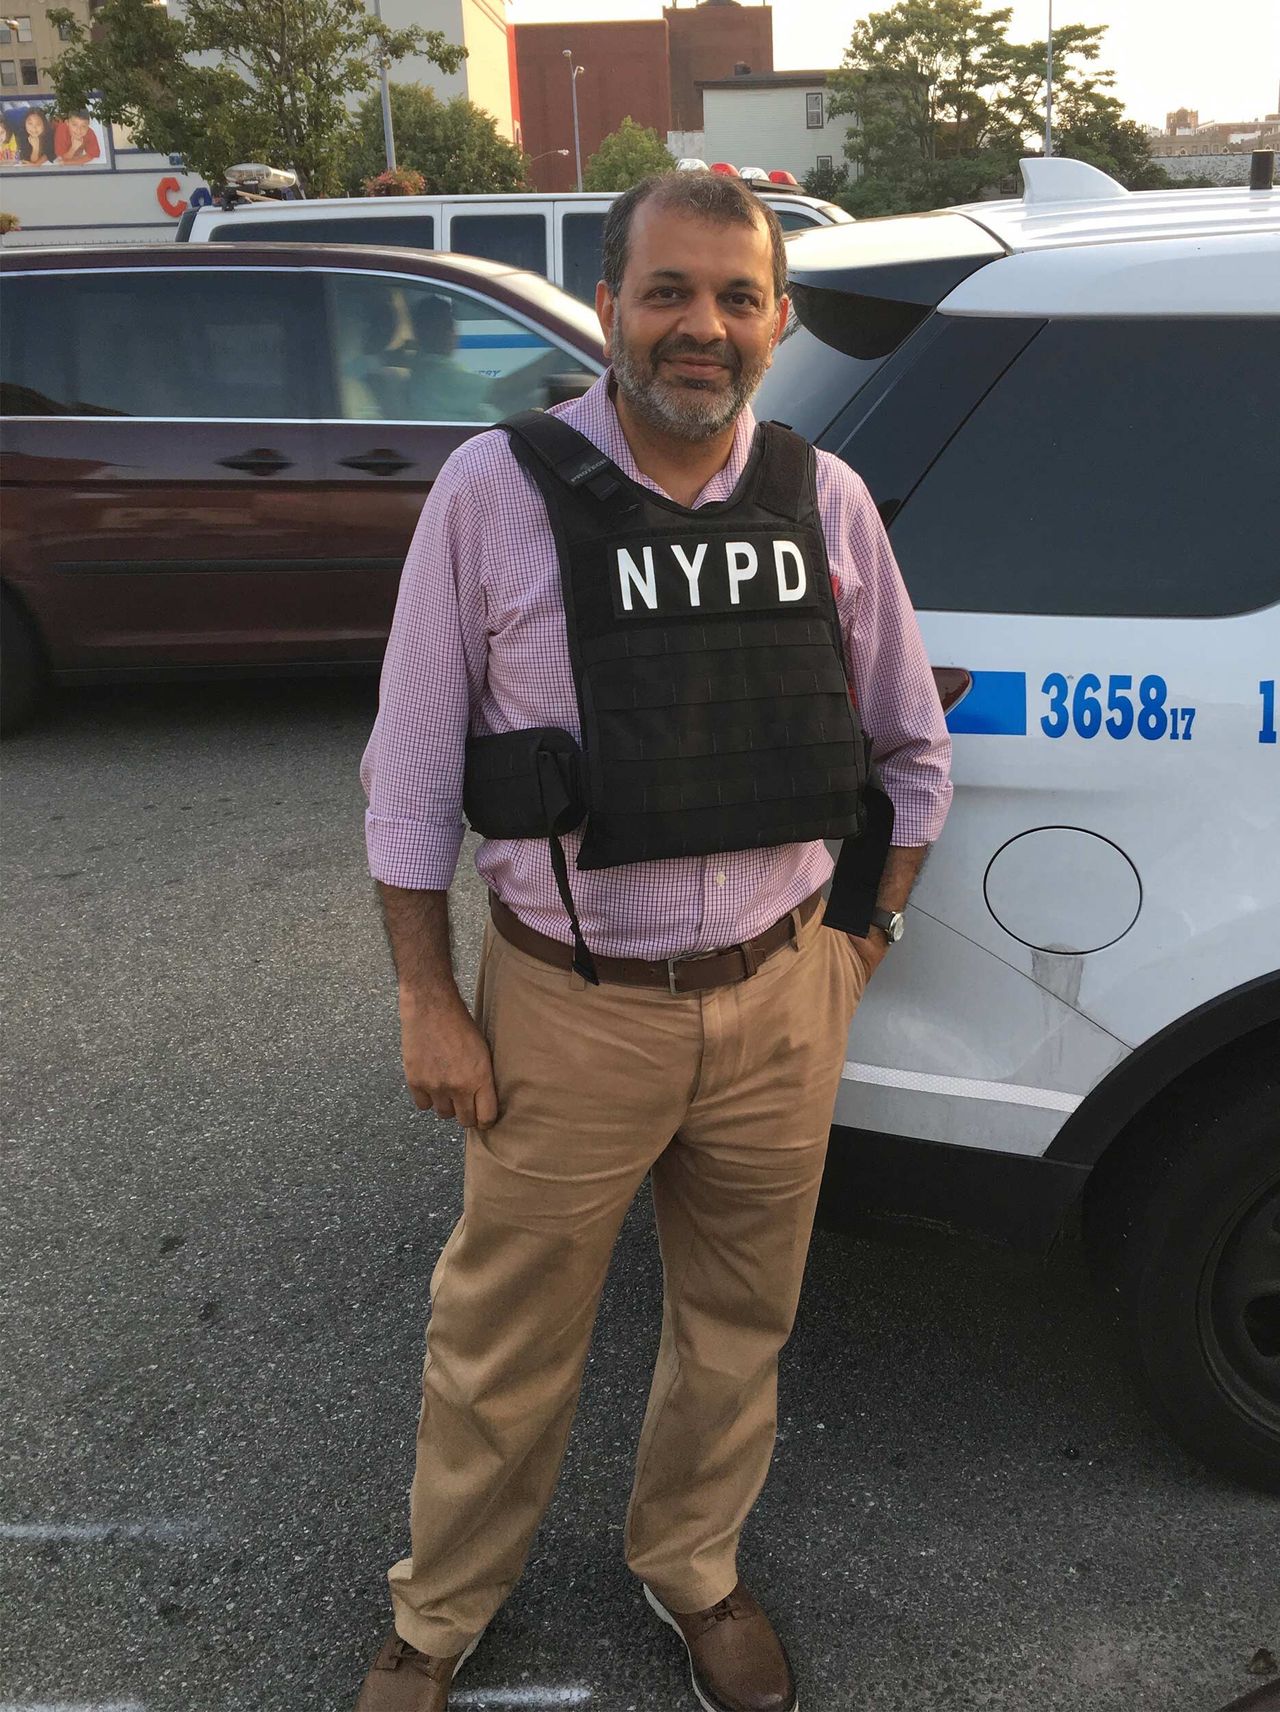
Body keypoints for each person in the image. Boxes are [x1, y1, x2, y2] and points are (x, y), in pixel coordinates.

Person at [357, 170, 952, 1712]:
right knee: (502, 1339)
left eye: (737, 298)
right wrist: (428, 997)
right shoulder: (491, 493)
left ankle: (693, 1565)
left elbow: (910, 751)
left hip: (781, 996)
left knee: (739, 1325)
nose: (704, 326)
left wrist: (862, 944)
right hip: (571, 1008)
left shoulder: (823, 498)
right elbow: (411, 778)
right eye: (670, 291)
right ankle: (439, 1614)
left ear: (778, 320)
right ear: (608, 305)